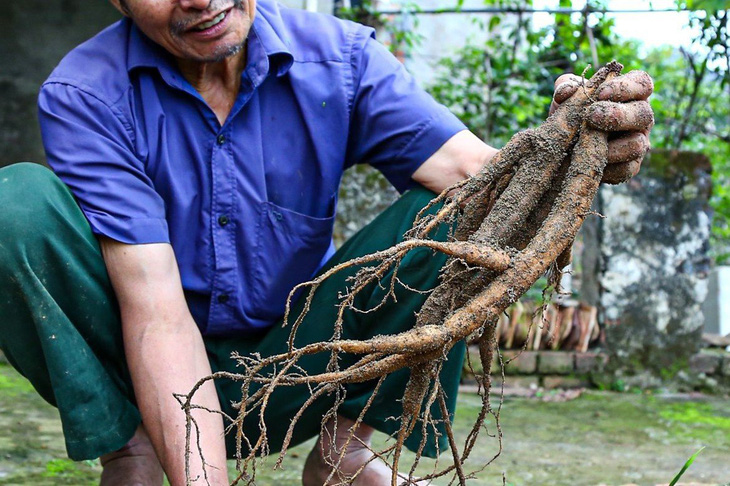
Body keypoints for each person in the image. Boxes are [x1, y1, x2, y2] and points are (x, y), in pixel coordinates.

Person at [0, 0, 653, 484]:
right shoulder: (87, 91)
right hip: (143, 364)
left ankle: (347, 453)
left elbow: (477, 178)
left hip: (299, 365)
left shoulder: (340, 58)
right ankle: (132, 451)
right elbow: (156, 314)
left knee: (471, 206)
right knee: (14, 206)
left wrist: (570, 153)